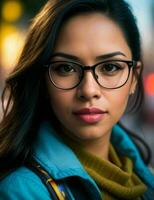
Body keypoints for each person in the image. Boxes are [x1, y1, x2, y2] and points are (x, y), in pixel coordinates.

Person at [0, 0, 154, 199]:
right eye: (66, 68)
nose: (89, 90)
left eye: (110, 67)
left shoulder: (142, 174)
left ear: (134, 77)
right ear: (43, 80)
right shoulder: (20, 191)